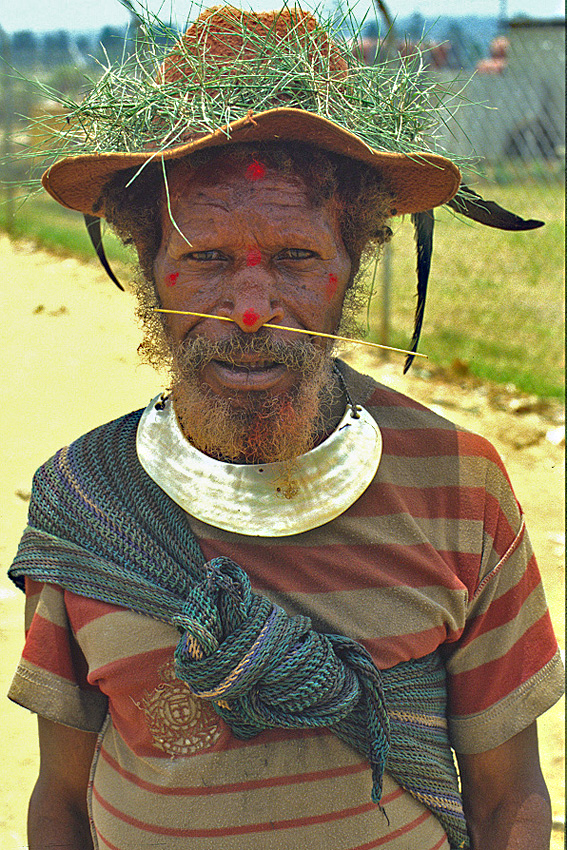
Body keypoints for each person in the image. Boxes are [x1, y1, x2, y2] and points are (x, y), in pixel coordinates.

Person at [7, 6, 563, 850]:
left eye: (296, 259)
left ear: (351, 269)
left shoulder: (460, 483)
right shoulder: (84, 498)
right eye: (206, 257)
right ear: (150, 268)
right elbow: (60, 799)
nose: (253, 309)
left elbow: (509, 803)